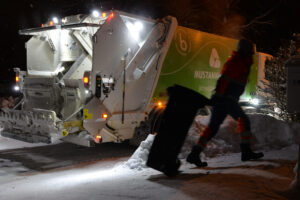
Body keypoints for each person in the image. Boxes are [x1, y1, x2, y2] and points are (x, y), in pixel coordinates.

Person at [186, 39, 264, 167]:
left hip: (226, 99)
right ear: (245, 50)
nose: (252, 52)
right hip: (226, 99)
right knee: (243, 120)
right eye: (250, 50)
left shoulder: (243, 62)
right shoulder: (236, 62)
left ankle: (194, 154)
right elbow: (224, 80)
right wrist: (219, 96)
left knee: (213, 127)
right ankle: (246, 152)